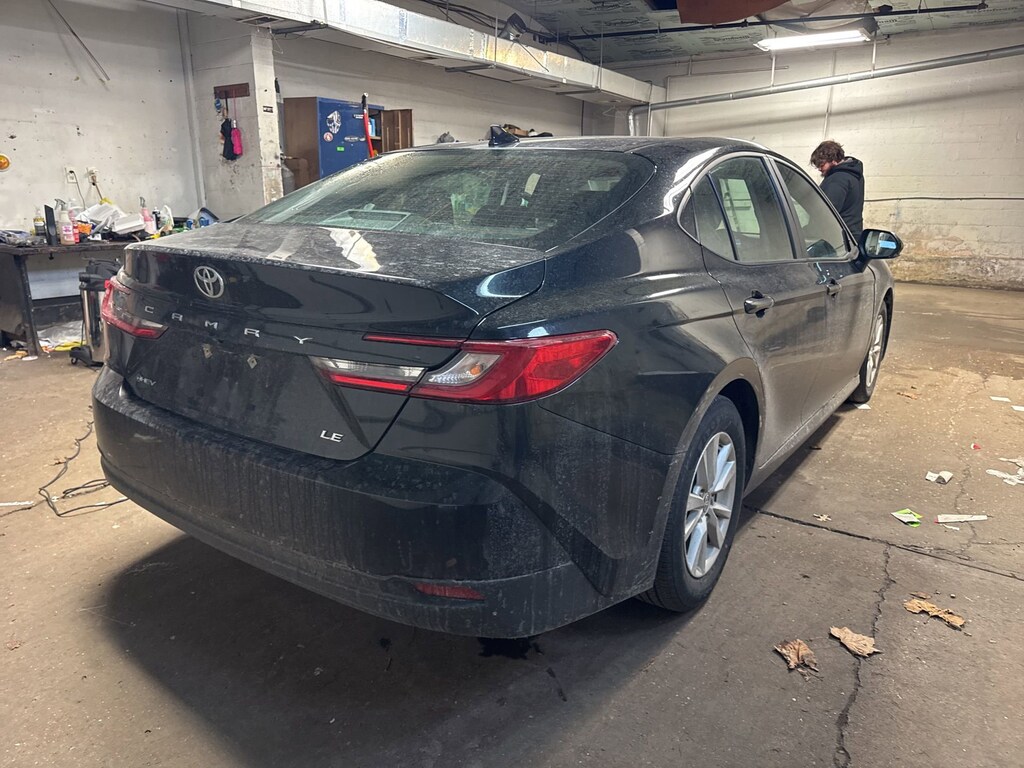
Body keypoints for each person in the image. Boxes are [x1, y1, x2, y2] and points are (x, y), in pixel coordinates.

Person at [810, 140, 864, 242]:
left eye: (821, 164)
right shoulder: (854, 174)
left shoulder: (837, 179)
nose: (819, 168)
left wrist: (807, 231)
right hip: (852, 235)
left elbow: (825, 214)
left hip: (838, 239)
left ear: (833, 160)